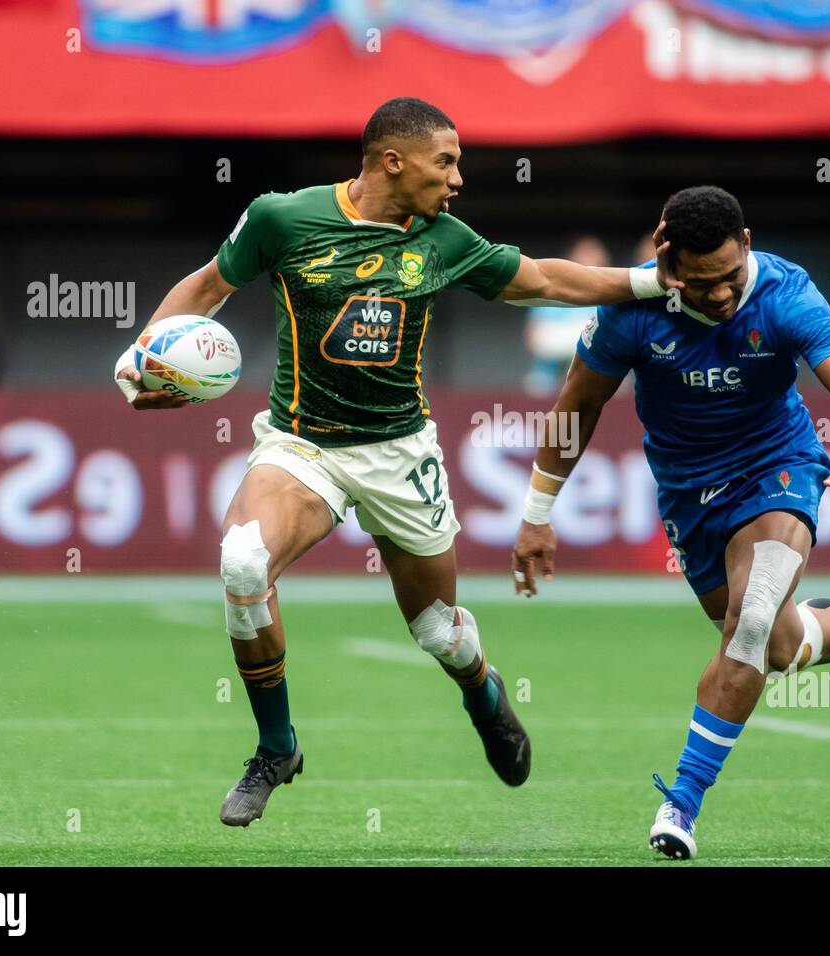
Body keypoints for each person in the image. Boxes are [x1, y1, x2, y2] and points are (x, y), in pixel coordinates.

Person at [112, 97, 675, 828]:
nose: (458, 178)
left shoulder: (442, 240)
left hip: (399, 453)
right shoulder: (282, 219)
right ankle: (276, 746)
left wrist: (651, 282)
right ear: (392, 162)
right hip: (302, 445)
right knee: (244, 564)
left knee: (438, 631)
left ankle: (483, 693)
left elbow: (540, 280)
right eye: (446, 161)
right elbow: (208, 287)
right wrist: (140, 358)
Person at [510, 185, 830, 860]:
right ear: (668, 263)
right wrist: (538, 513)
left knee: (748, 623)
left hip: (779, 472)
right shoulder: (630, 310)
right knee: (775, 644)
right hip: (690, 500)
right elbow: (576, 406)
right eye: (700, 284)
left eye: (729, 278)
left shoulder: (783, 293)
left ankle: (682, 804)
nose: (719, 297)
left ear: (746, 247)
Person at [522, 235, 610, 395]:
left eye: (597, 258)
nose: (592, 263)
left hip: (596, 375)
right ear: (571, 260)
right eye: (585, 255)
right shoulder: (551, 294)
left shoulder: (609, 300)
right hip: (547, 378)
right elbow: (534, 338)